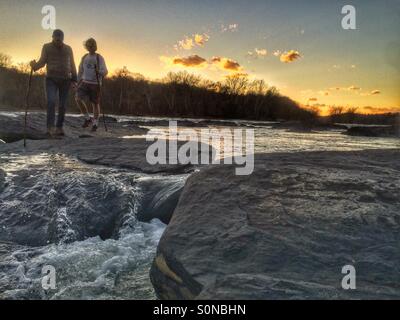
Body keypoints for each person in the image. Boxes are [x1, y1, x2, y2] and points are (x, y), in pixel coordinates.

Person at [30, 29, 77, 137]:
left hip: (65, 80)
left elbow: (72, 64)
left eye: (60, 39)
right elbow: (42, 61)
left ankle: (59, 127)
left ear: (63, 39)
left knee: (63, 105)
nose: (58, 41)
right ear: (52, 37)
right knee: (51, 101)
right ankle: (50, 127)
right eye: (56, 39)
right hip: (51, 79)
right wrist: (34, 66)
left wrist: (74, 79)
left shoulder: (68, 48)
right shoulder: (46, 47)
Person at [75, 38, 108, 132]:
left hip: (95, 83)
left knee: (95, 103)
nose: (91, 47)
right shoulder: (85, 57)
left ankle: (95, 123)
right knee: (77, 98)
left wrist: (99, 71)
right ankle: (87, 118)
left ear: (95, 46)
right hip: (84, 82)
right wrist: (78, 82)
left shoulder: (99, 57)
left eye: (92, 45)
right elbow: (80, 70)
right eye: (89, 45)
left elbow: (105, 72)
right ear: (87, 47)